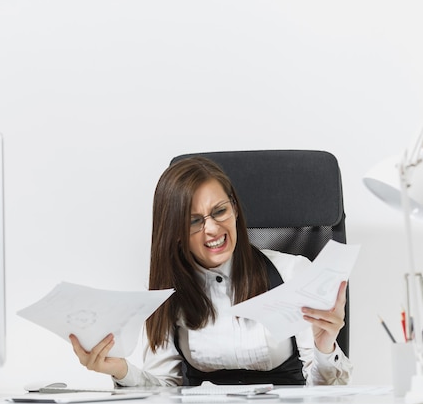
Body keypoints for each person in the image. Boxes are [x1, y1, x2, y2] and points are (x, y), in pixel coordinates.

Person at [70, 156, 352, 386]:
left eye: (220, 211)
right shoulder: (168, 296)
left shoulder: (293, 272)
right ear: (175, 233)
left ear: (236, 210)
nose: (213, 229)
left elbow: (325, 395)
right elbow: (165, 390)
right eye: (194, 221)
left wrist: (324, 347)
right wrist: (121, 370)